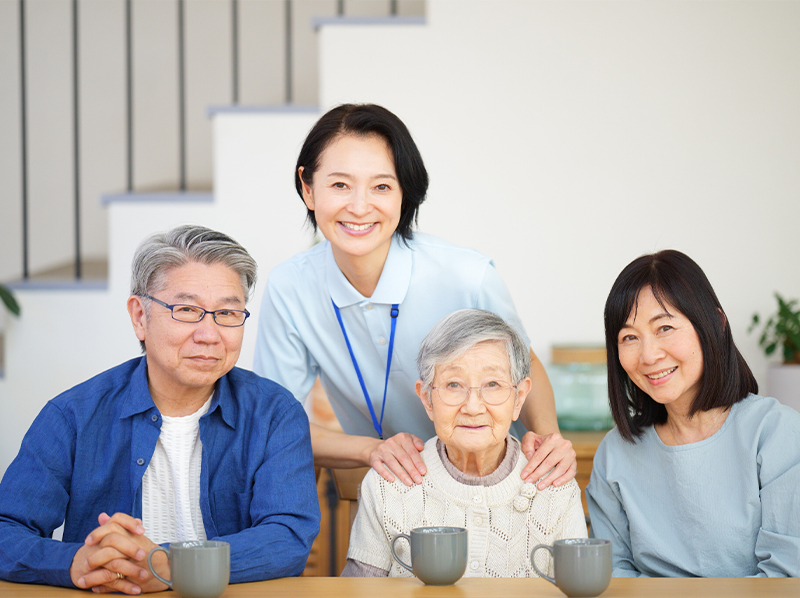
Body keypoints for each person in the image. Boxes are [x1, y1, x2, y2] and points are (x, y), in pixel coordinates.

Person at [254, 103, 575, 490]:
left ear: (404, 193)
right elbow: (276, 424)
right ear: (308, 188)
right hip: (395, 487)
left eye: (382, 186)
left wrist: (550, 438)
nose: (359, 207)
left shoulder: (466, 275)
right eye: (340, 185)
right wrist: (369, 450)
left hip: (500, 479)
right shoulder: (290, 287)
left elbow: (526, 364)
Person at [0, 225, 320, 593]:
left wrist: (169, 565)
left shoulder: (275, 414)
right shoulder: (73, 415)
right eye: (187, 310)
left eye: (228, 314)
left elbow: (288, 537)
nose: (209, 334)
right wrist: (73, 562)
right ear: (140, 317)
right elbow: (6, 529)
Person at [586, 249, 800, 577]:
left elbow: (786, 578)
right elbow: (614, 578)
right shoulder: (614, 454)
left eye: (665, 328)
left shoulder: (775, 435)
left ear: (715, 323)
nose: (648, 355)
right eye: (629, 337)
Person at [341, 309, 586, 577]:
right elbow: (358, 591)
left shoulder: (555, 487)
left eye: (492, 384)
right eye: (454, 384)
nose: (472, 407)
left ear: (519, 398)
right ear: (426, 399)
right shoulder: (388, 483)